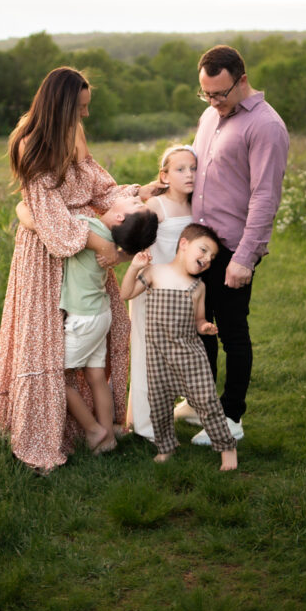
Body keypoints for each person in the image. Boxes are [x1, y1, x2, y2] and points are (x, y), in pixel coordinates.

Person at [0, 66, 157, 473]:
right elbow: (51, 219)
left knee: (89, 349)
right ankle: (47, 437)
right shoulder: (31, 145)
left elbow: (99, 189)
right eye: (80, 109)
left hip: (84, 249)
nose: (86, 116)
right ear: (60, 107)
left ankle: (92, 430)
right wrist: (105, 245)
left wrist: (137, 192)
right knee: (47, 346)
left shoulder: (75, 133)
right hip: (48, 256)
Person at [176, 44, 289, 446]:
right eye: (206, 94)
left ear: (242, 80)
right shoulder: (210, 115)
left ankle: (231, 417)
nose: (213, 102)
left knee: (231, 333)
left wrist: (244, 258)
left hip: (232, 248)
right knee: (199, 329)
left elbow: (264, 197)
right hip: (200, 244)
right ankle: (201, 404)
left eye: (220, 94)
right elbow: (196, 167)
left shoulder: (266, 126)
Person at [18, 194, 158, 455]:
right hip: (100, 315)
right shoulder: (111, 242)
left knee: (56, 377)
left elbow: (45, 224)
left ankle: (94, 430)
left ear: (119, 217)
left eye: (135, 204)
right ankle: (108, 439)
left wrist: (21, 208)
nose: (133, 198)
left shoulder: (85, 227)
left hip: (84, 319)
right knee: (96, 377)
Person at [120, 223, 238, 471]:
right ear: (184, 244)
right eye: (203, 250)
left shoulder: (198, 287)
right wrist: (134, 268)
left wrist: (205, 327)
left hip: (189, 356)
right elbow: (126, 293)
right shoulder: (154, 273)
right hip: (158, 357)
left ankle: (227, 448)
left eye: (212, 257)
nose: (207, 259)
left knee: (207, 401)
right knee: (160, 404)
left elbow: (198, 320)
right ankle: (166, 447)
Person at [126, 144, 196, 440]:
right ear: (164, 176)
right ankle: (147, 425)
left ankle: (168, 410)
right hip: (151, 290)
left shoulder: (196, 206)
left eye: (193, 168)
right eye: (181, 169)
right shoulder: (157, 207)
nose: (189, 174)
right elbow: (132, 238)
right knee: (147, 354)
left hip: (179, 292)